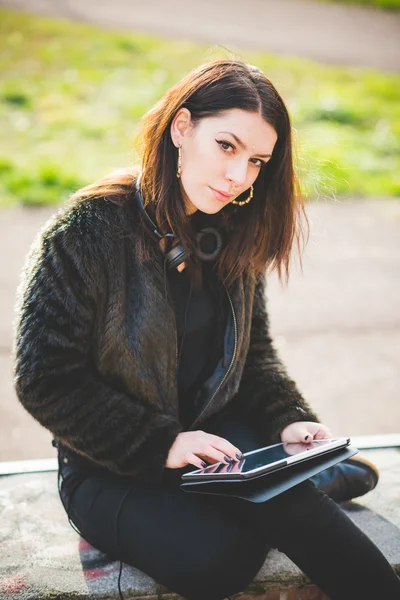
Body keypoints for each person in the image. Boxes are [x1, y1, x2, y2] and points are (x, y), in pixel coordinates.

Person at [13, 59, 399, 600]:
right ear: (182, 128)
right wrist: (161, 441)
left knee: (290, 506)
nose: (239, 176)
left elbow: (254, 352)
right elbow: (44, 379)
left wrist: (289, 420)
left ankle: (306, 482)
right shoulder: (84, 233)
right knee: (216, 562)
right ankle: (312, 485)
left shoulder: (235, 225)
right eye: (227, 146)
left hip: (219, 440)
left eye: (257, 160)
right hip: (111, 461)